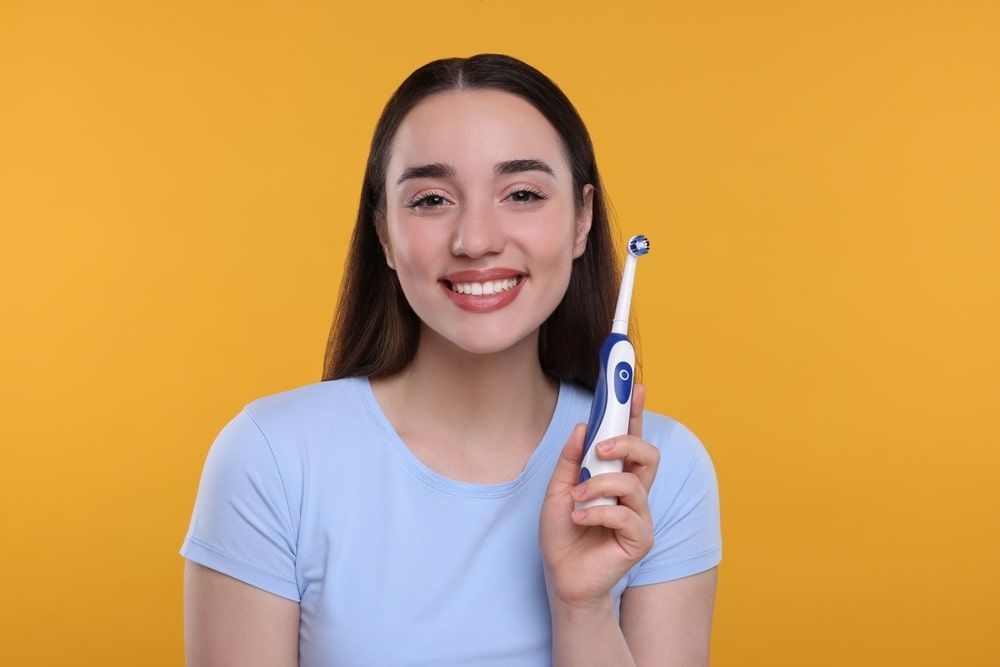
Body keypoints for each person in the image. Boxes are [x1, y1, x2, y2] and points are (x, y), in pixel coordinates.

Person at [180, 53, 722, 666]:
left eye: (521, 193)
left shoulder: (660, 475)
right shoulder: (272, 460)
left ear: (581, 220)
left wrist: (582, 608)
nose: (475, 240)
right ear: (384, 233)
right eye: (432, 200)